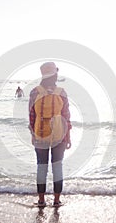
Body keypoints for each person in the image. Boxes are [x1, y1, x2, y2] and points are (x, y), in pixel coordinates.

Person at [28, 62, 72, 207]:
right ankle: (57, 200)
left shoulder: (35, 92)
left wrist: (33, 134)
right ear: (55, 75)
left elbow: (32, 116)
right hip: (59, 134)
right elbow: (66, 117)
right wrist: (68, 137)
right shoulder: (62, 92)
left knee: (42, 167)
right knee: (57, 167)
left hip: (40, 135)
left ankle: (41, 200)